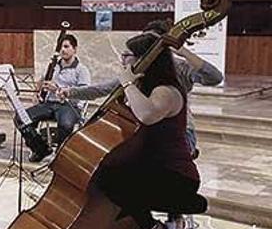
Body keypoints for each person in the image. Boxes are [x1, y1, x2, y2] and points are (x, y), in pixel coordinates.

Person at [95, 32, 201, 229]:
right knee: (107, 176)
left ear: (146, 59)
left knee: (111, 179)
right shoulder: (146, 88)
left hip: (177, 177)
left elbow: (147, 114)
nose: (123, 60)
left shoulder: (168, 91)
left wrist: (127, 83)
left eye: (127, 56)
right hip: (154, 169)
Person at [59, 20, 222, 157]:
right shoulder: (138, 68)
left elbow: (214, 77)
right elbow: (103, 89)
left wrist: (183, 51)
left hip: (178, 133)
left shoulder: (179, 67)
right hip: (147, 131)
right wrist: (71, 92)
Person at [16, 35, 91, 163]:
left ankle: (61, 157)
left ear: (75, 49)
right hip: (49, 104)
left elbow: (83, 94)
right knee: (21, 118)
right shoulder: (53, 66)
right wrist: (37, 92)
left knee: (66, 125)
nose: (63, 50)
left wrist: (57, 89)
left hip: (69, 106)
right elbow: (41, 81)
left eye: (66, 47)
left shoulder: (81, 70)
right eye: (61, 47)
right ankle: (40, 149)